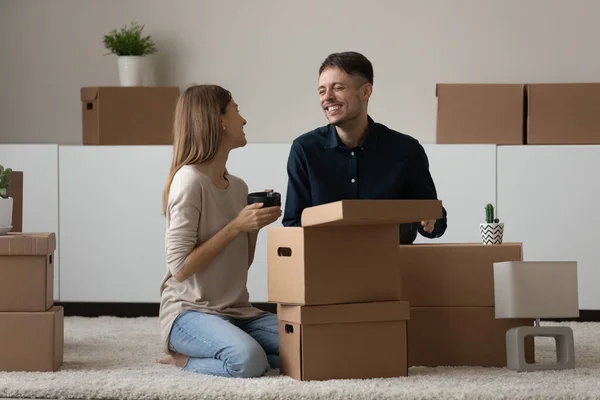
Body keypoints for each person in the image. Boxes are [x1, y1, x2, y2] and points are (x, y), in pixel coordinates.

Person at [158, 84, 282, 378]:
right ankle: (180, 360)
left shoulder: (238, 187)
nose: (244, 120)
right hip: (189, 313)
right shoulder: (189, 181)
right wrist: (236, 225)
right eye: (236, 110)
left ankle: (240, 344)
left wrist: (254, 227)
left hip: (237, 311)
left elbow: (240, 264)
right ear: (219, 120)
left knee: (308, 341)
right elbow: (178, 269)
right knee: (248, 360)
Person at [282, 51, 447, 243]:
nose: (327, 97)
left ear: (366, 92)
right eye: (321, 91)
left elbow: (434, 221)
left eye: (338, 88)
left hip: (391, 266)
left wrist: (430, 221)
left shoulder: (407, 150)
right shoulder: (304, 150)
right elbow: (293, 222)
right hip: (325, 265)